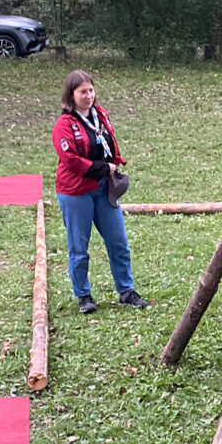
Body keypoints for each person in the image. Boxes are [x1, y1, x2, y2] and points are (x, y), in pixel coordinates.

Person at [51, 70, 147, 314]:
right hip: (76, 191)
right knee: (79, 247)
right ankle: (83, 295)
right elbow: (70, 159)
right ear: (71, 95)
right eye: (82, 92)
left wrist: (115, 164)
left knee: (119, 242)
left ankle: (126, 291)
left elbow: (109, 144)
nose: (89, 95)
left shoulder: (100, 115)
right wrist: (103, 167)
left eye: (91, 90)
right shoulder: (64, 125)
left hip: (104, 189)